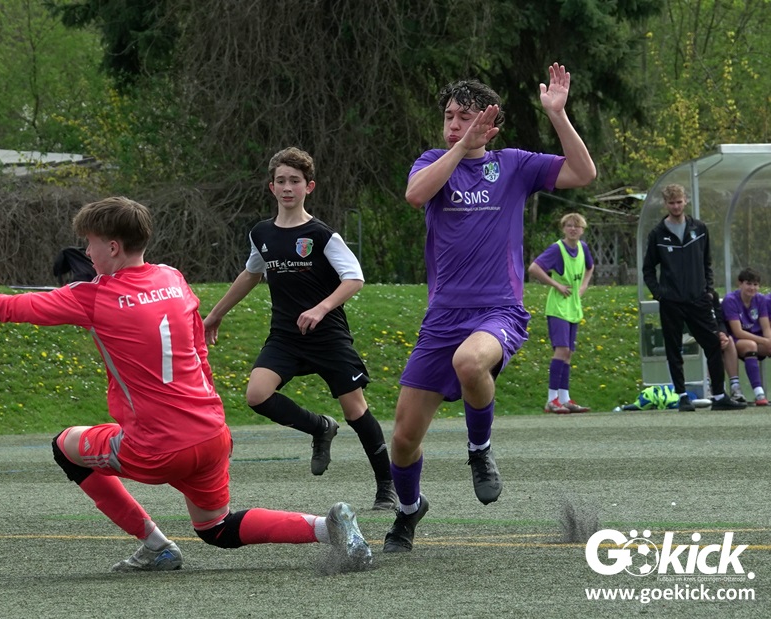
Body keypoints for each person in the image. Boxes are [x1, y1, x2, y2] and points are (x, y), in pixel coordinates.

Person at [0, 196, 373, 573]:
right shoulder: (173, 277)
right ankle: (327, 527)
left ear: (111, 246)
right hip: (212, 434)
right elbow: (199, 348)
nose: (85, 253)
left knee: (66, 447)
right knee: (216, 529)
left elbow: (7, 307)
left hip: (159, 447)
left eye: (89, 243)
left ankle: (155, 546)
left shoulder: (94, 297)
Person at [383, 63, 598, 554]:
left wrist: (558, 115)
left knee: (470, 362)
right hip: (442, 318)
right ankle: (409, 510)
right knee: (404, 439)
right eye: (449, 116)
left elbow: (583, 173)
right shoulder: (433, 161)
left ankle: (479, 449)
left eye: (466, 117)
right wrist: (460, 147)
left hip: (497, 311)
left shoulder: (514, 165)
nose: (454, 124)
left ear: (491, 124)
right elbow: (415, 195)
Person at [203, 147, 397, 511]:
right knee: (257, 395)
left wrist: (321, 308)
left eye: (295, 181)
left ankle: (387, 486)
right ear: (271, 187)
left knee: (355, 410)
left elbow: (354, 278)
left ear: (309, 186)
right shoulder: (261, 233)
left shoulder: (322, 235)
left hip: (328, 336)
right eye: (281, 181)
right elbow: (251, 273)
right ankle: (320, 427)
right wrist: (215, 314)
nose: (287, 187)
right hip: (286, 336)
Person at [641, 183, 746, 412]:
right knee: (674, 349)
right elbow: (648, 269)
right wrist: (660, 294)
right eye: (671, 203)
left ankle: (719, 396)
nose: (676, 206)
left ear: (685, 201)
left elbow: (707, 262)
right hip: (671, 303)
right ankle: (682, 397)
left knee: (713, 344)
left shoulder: (699, 228)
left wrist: (708, 290)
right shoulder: (658, 234)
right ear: (665, 204)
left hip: (699, 299)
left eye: (679, 202)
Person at [527, 212, 595, 414]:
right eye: (569, 225)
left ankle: (565, 398)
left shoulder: (583, 248)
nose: (573, 229)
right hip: (558, 307)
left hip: (573, 306)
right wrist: (556, 284)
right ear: (563, 228)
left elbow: (590, 267)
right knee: (562, 350)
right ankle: (551, 399)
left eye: (577, 226)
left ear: (582, 230)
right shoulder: (557, 249)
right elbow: (534, 268)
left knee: (569, 353)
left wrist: (583, 286)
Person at [721, 267, 771, 405]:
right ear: (740, 283)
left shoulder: (760, 299)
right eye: (748, 284)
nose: (752, 288)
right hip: (735, 341)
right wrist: (764, 341)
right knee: (750, 345)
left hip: (757, 339)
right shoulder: (730, 300)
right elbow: (737, 331)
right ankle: (759, 393)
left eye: (755, 284)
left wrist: (769, 340)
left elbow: (766, 327)